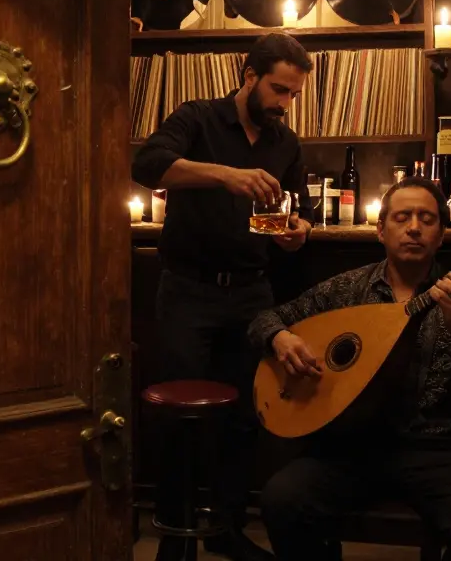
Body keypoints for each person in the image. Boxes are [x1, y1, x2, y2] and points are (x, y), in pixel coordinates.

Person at [132, 32, 316, 561]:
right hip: (187, 290)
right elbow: (146, 165)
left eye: (293, 95)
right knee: (180, 420)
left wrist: (293, 231)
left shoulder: (286, 143)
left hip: (253, 294)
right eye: (278, 90)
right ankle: (176, 537)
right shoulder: (198, 117)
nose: (284, 104)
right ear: (248, 75)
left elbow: (289, 212)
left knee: (244, 418)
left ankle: (227, 531)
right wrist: (225, 176)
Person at [247, 176, 451, 561]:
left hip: (436, 447)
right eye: (402, 217)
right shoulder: (346, 291)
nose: (413, 228)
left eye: (426, 219)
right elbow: (265, 319)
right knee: (282, 500)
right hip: (351, 447)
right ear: (381, 229)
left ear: (441, 235)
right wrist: (280, 338)